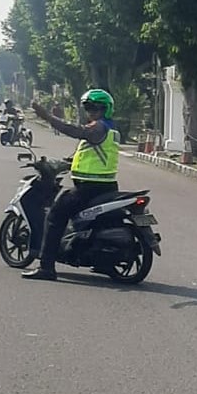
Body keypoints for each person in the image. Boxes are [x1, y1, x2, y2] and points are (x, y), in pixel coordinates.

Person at [22, 89, 122, 281]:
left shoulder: (98, 128)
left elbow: (75, 131)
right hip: (107, 185)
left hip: (88, 188)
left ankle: (46, 267)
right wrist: (62, 164)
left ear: (106, 109)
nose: (91, 112)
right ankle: (102, 261)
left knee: (54, 216)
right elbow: (90, 155)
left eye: (96, 108)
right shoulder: (110, 129)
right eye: (88, 108)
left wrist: (47, 117)